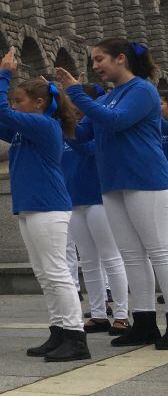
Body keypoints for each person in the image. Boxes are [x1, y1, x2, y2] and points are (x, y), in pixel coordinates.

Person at [57, 39, 168, 348]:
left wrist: (77, 93)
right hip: (113, 182)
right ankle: (144, 321)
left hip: (144, 177)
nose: (95, 66)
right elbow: (82, 135)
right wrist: (63, 113)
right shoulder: (108, 97)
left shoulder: (142, 91)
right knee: (132, 254)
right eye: (93, 60)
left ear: (121, 59)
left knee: (159, 251)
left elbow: (117, 123)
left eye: (99, 59)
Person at [0, 49, 89, 361]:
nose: (15, 106)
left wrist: (4, 75)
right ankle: (59, 331)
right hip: (31, 206)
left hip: (48, 205)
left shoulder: (44, 125)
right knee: (44, 273)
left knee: (56, 271)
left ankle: (75, 335)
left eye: (20, 101)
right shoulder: (24, 130)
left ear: (39, 103)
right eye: (14, 101)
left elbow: (1, 112)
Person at [63, 86, 130, 335]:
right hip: (74, 200)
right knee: (89, 261)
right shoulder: (69, 129)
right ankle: (99, 313)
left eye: (72, 101)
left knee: (111, 257)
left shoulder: (95, 126)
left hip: (97, 199)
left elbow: (87, 149)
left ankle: (122, 314)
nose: (69, 106)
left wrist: (68, 128)